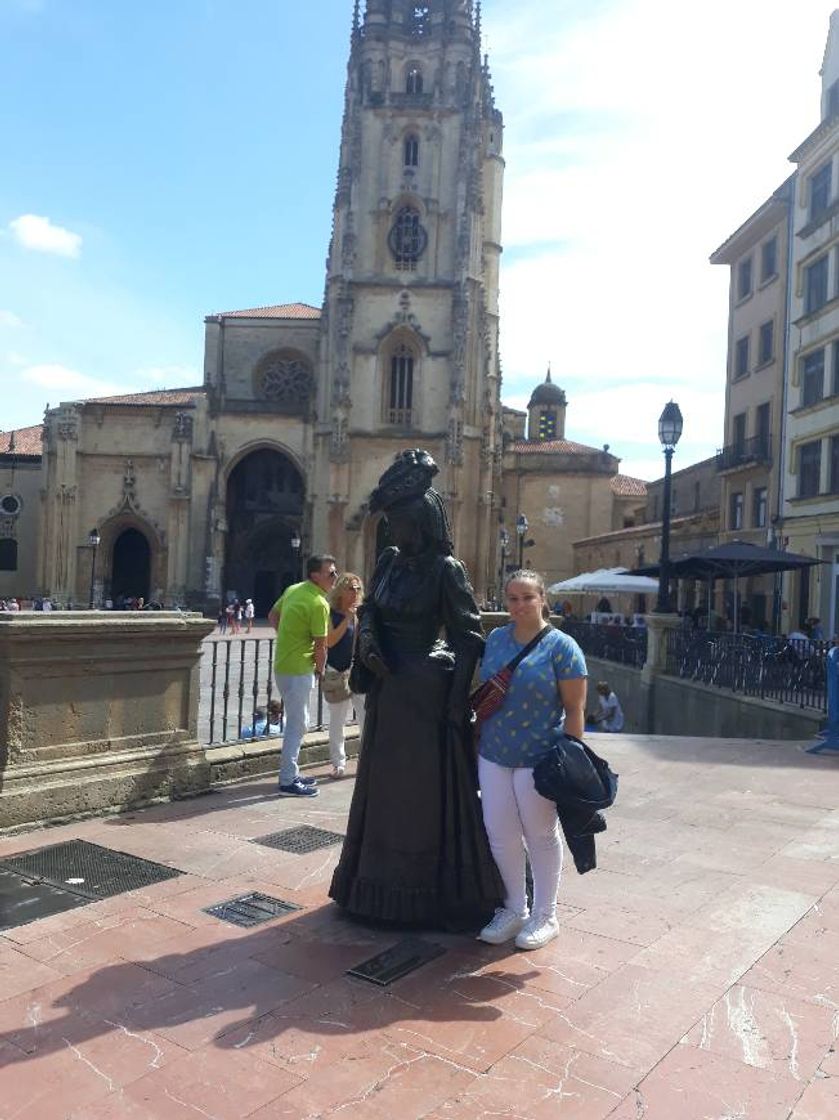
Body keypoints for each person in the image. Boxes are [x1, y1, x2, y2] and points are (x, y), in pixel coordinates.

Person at [329, 449, 503, 928]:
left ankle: (424, 895)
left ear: (421, 523)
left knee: (418, 801)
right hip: (389, 694)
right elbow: (371, 618)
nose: (394, 531)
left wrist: (453, 705)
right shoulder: (387, 562)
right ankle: (374, 890)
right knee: (383, 794)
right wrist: (368, 648)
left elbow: (469, 638)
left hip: (425, 699)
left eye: (401, 522)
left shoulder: (446, 570)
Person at [476, 568, 587, 951]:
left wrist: (570, 761)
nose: (520, 605)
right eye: (513, 598)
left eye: (527, 597)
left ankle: (545, 914)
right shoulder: (495, 639)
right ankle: (514, 908)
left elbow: (574, 709)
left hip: (538, 757)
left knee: (539, 835)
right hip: (493, 753)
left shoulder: (562, 647)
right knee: (500, 833)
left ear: (543, 599)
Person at [268, 554, 335, 798]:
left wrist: (288, 638)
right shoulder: (319, 603)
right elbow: (321, 645)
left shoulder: (293, 589)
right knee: (297, 725)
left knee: (300, 721)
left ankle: (292, 772)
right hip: (299, 670)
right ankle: (287, 781)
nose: (335, 578)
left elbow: (273, 616)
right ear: (315, 575)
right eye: (331, 574)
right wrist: (320, 669)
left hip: (283, 665)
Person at [324, 572, 366, 779]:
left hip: (358, 672)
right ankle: (339, 762)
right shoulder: (330, 613)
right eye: (351, 588)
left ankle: (365, 761)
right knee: (337, 720)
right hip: (336, 671)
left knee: (366, 719)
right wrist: (347, 618)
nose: (355, 593)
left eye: (358, 588)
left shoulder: (362, 613)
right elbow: (330, 641)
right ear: (340, 590)